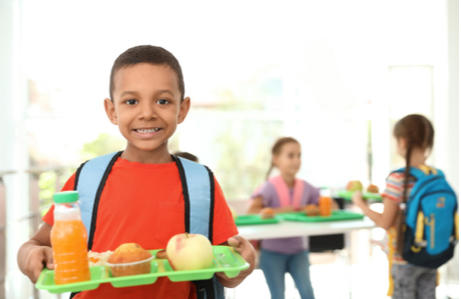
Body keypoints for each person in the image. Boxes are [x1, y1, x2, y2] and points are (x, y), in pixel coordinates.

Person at [17, 45, 255, 299]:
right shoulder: (87, 178)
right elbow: (37, 244)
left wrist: (244, 263)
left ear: (182, 109)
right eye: (131, 101)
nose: (147, 113)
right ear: (112, 111)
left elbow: (224, 270)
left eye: (162, 101)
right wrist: (30, 254)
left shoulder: (201, 183)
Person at [352, 114, 437, 299]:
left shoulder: (398, 178)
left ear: (403, 141)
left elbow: (385, 222)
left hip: (404, 258)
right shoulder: (435, 177)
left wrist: (362, 205)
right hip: (431, 256)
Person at [247, 137, 317, 299]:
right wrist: (290, 210)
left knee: (307, 293)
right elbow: (252, 211)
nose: (296, 160)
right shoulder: (269, 187)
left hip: (299, 251)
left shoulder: (306, 187)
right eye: (291, 155)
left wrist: (313, 209)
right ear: (276, 159)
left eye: (299, 155)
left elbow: (331, 206)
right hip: (272, 253)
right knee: (277, 296)